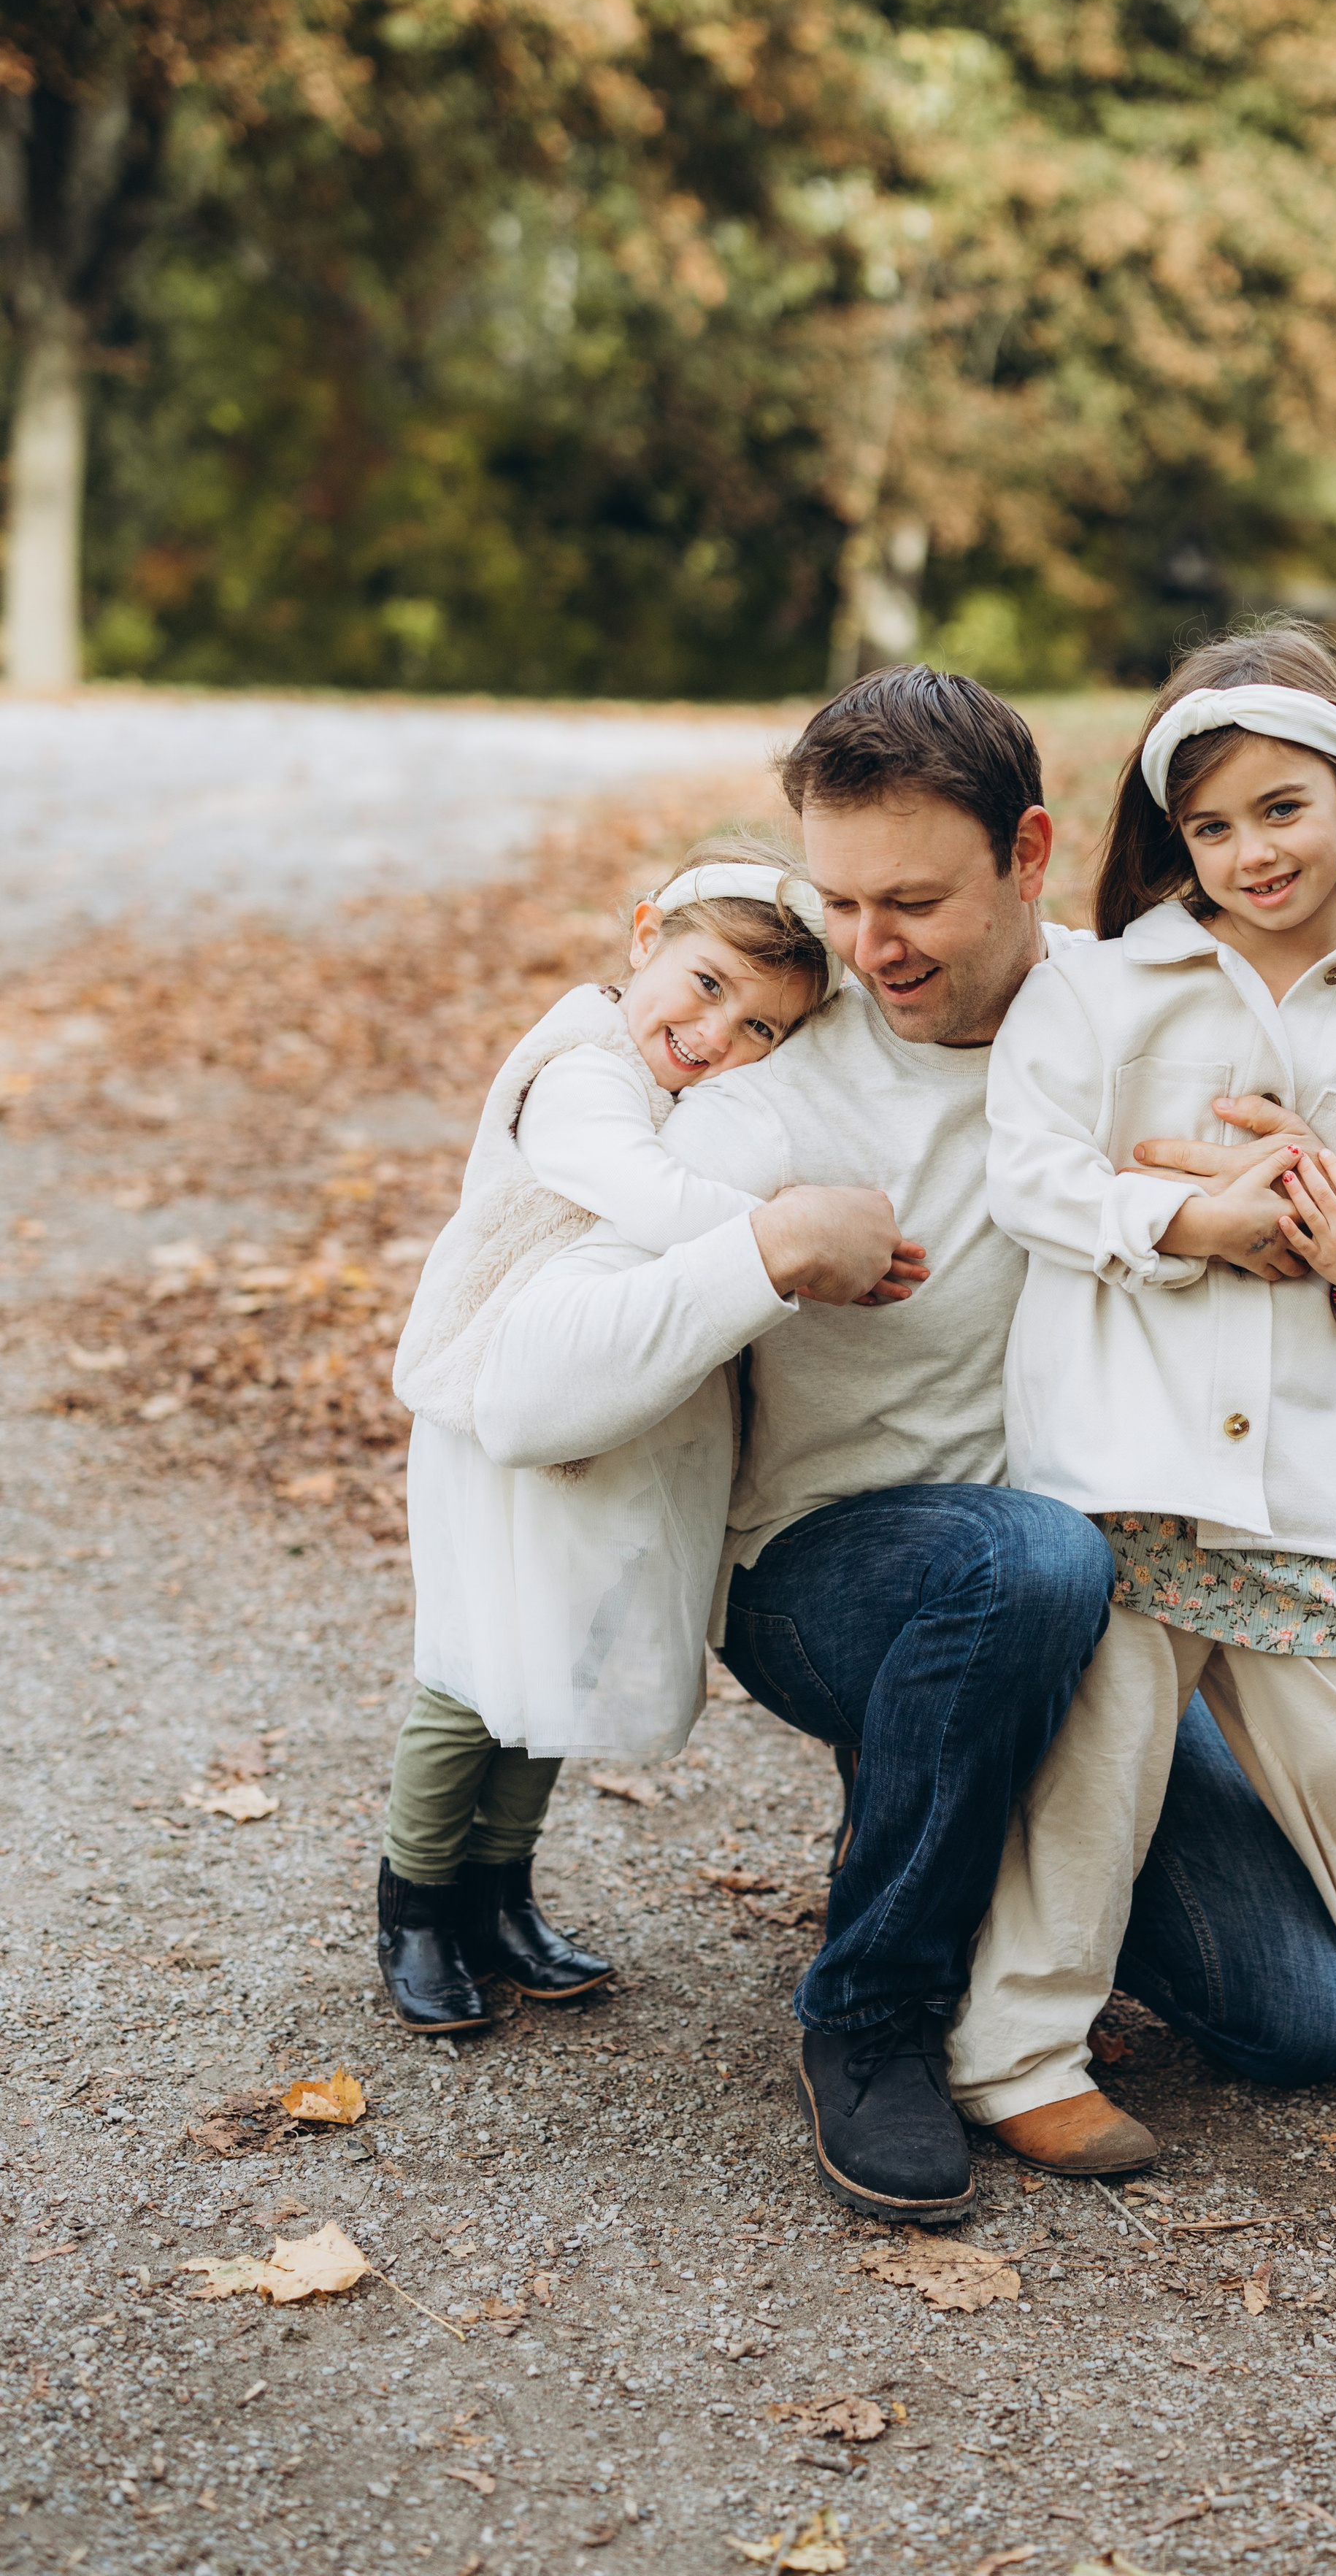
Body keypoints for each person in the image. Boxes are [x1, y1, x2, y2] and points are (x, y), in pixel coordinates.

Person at [472, 650, 1336, 2215]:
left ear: (1029, 855)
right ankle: (872, 2016)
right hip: (832, 1574)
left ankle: (970, 1806)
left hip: (1106, 1570)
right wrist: (761, 1254)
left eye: (910, 901)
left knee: (1294, 2016)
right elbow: (519, 1391)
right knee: (1021, 1562)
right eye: (839, 902)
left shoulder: (1139, 1005)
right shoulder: (777, 1092)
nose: (865, 948)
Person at [943, 626, 1336, 2156]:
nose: (1246, 850)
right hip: (1121, 1444)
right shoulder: (1104, 990)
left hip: (1278, 1460)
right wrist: (1188, 1218)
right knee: (1101, 1764)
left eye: (1278, 808)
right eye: (1207, 825)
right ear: (1170, 841)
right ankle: (1019, 2054)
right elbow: (1030, 1176)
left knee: (1324, 1742)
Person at [377, 835, 913, 2034]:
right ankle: (416, 1904)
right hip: (486, 1409)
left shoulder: (675, 1086)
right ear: (642, 938)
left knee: (554, 1654)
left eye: (764, 1030)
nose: (722, 1036)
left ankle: (500, 1893)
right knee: (473, 1670)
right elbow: (655, 1201)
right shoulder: (582, 1067)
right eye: (710, 985)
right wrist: (789, 1238)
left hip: (586, 1420)